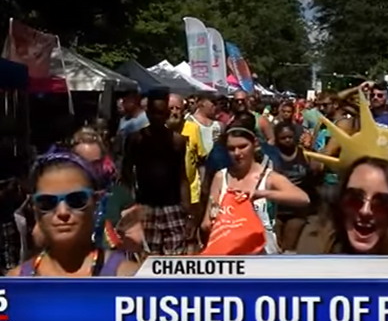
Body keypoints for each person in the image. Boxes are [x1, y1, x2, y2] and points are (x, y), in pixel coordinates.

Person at [8, 152, 139, 276]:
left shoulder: (129, 277)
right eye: (47, 202)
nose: (63, 212)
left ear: (96, 203)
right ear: (34, 209)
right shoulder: (15, 282)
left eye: (76, 200)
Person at [201, 126, 310, 254]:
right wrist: (212, 222)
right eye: (231, 149)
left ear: (255, 144)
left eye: (243, 147)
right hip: (230, 254)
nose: (237, 153)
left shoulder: (268, 177)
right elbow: (207, 220)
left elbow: (303, 198)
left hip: (263, 253)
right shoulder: (221, 177)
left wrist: (262, 194)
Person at [122, 90, 191, 255]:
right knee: (147, 259)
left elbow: (182, 177)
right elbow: (126, 174)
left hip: (173, 207)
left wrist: (188, 213)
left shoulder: (177, 141)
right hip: (146, 206)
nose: (157, 117)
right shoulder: (136, 139)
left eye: (161, 113)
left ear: (166, 114)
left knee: (175, 260)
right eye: (153, 113)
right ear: (147, 113)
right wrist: (128, 207)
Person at [273, 122, 317, 252]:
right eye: (283, 138)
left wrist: (311, 153)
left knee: (289, 247)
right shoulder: (271, 155)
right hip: (276, 208)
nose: (287, 140)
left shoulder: (304, 153)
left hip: (296, 209)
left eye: (290, 137)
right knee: (274, 247)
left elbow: (317, 170)